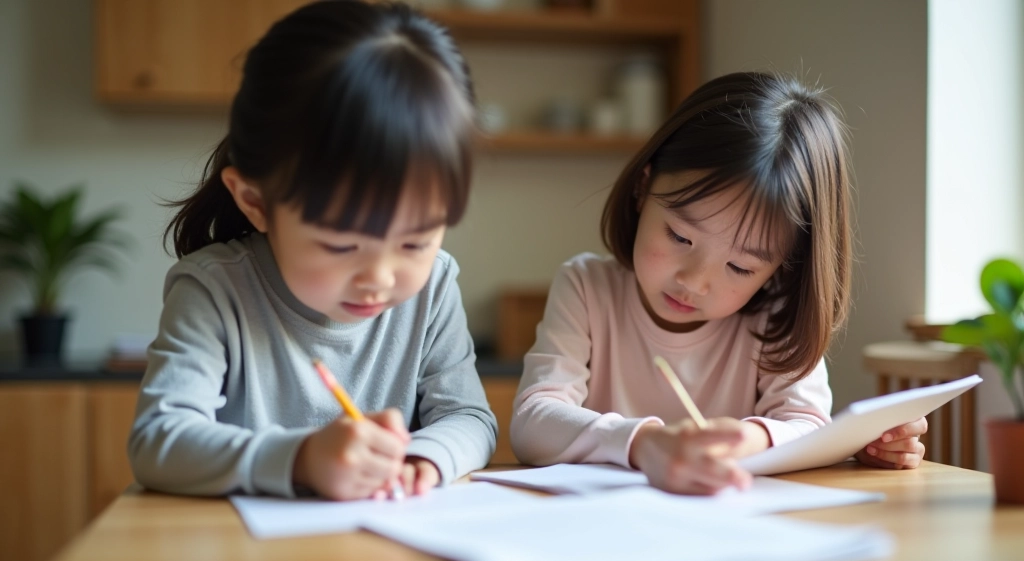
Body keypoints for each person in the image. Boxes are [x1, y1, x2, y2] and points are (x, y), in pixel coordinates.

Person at [128, 0, 496, 501]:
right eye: (342, 245)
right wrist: (301, 460)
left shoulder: (432, 285)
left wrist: (423, 456)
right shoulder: (214, 290)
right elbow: (158, 440)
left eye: (415, 241)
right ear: (256, 203)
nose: (380, 277)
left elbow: (469, 417)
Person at [510, 71, 927, 495]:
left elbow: (808, 426)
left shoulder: (775, 315)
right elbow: (533, 422)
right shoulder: (586, 288)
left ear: (784, 266)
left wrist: (751, 441)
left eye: (741, 267)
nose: (695, 281)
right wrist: (645, 445)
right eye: (679, 237)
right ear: (643, 187)